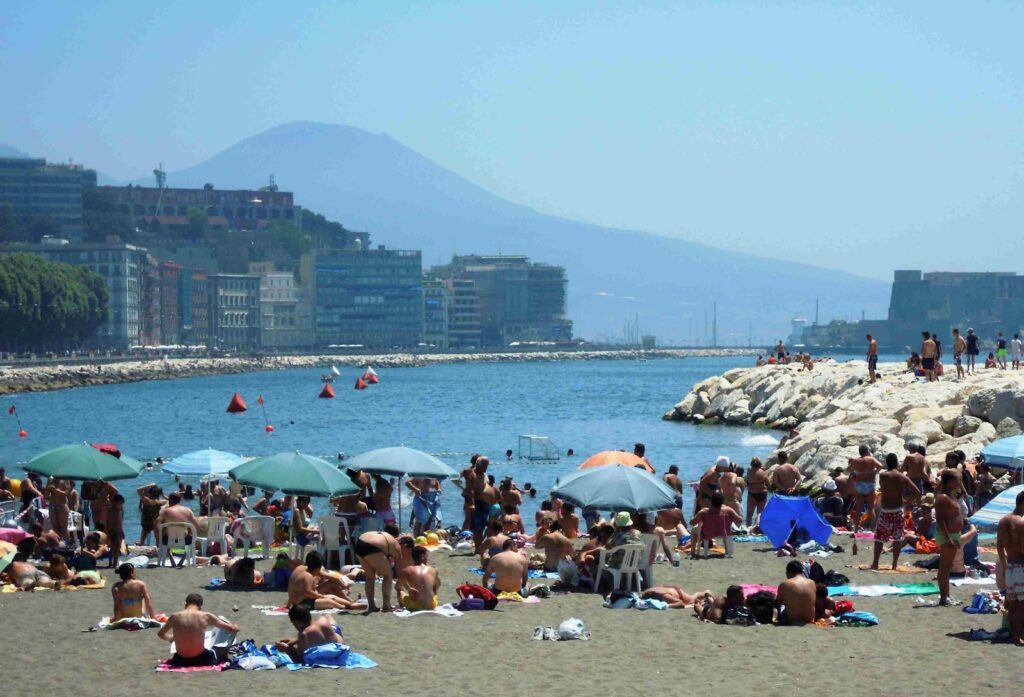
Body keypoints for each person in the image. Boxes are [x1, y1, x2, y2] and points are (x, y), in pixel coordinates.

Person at [157, 593, 239, 668]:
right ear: (200, 607)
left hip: (179, 660)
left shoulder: (174, 617)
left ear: (186, 605)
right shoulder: (205, 616)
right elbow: (230, 628)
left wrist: (171, 638)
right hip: (201, 659)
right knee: (218, 646)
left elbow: (160, 634)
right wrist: (236, 626)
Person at [871, 454, 919, 570]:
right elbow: (917, 492)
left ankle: (875, 563)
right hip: (897, 510)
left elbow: (882, 488)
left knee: (879, 538)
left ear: (887, 463)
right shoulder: (902, 477)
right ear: (897, 463)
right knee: (897, 539)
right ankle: (894, 564)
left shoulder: (883, 475)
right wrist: (907, 502)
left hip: (886, 510)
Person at [288, 551, 365, 611]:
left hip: (305, 598)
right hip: (304, 603)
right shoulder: (307, 575)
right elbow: (307, 592)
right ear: (317, 568)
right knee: (330, 602)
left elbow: (333, 579)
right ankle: (347, 606)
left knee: (332, 597)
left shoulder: (306, 570)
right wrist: (322, 596)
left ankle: (350, 603)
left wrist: (343, 585)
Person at [996, 490, 1024, 645]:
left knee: (1012, 602)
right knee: (1022, 604)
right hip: (1021, 567)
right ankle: (1016, 636)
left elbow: (999, 547)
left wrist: (1005, 565)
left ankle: (1011, 632)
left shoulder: (1003, 521)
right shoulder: (1021, 523)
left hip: (1010, 566)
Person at [354, 524, 402, 612]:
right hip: (372, 546)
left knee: (370, 575)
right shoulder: (395, 544)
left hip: (359, 543)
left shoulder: (381, 535)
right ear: (396, 536)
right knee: (388, 575)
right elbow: (399, 567)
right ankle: (386, 606)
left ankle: (372, 605)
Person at [935, 470, 965, 606]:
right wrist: (948, 539)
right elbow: (940, 520)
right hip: (947, 536)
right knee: (945, 567)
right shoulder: (942, 498)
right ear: (949, 482)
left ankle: (946, 596)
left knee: (948, 567)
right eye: (957, 480)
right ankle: (944, 598)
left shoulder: (951, 496)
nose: (959, 483)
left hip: (953, 534)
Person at [276, 604, 344, 663]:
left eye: (293, 623)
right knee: (328, 616)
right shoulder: (322, 619)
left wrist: (287, 649)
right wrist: (297, 640)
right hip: (339, 644)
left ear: (297, 622)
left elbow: (300, 660)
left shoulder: (304, 634)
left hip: (331, 653)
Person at [155, 492, 200, 567]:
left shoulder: (166, 511)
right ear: (179, 500)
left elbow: (156, 524)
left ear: (171, 500)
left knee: (164, 529)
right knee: (189, 528)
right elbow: (197, 526)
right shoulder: (187, 510)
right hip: (185, 541)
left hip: (168, 541)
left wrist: (157, 539)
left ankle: (170, 556)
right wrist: (188, 529)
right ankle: (184, 556)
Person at [692, 492, 742, 558]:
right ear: (722, 501)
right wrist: (731, 518)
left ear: (711, 501)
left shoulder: (704, 511)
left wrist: (696, 517)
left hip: (708, 533)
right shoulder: (728, 510)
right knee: (726, 530)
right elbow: (739, 520)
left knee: (693, 530)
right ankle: (728, 551)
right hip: (724, 532)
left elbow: (692, 522)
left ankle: (693, 552)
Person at [847, 445, 883, 531]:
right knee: (871, 508)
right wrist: (874, 472)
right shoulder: (871, 459)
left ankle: (855, 529)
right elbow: (880, 466)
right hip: (870, 484)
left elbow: (848, 469)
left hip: (859, 484)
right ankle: (873, 529)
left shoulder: (856, 460)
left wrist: (856, 473)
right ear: (867, 451)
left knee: (858, 508)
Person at [396, 545, 441, 611]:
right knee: (434, 586)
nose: (427, 558)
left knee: (400, 591)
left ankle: (401, 605)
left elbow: (397, 586)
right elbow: (437, 586)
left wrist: (409, 589)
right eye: (426, 556)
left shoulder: (407, 570)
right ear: (422, 557)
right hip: (431, 605)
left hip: (414, 606)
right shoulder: (433, 570)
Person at [775, 560, 816, 625]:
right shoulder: (812, 583)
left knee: (782, 606)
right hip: (809, 618)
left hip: (792, 619)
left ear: (790, 572)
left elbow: (778, 603)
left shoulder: (784, 584)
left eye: (786, 573)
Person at [43, 478, 70, 542]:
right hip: (52, 506)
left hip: (61, 506)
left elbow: (66, 493)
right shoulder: (50, 479)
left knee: (64, 529)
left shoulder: (65, 479)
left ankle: (66, 546)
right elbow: (46, 496)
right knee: (55, 528)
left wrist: (55, 490)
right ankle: (58, 544)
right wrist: (48, 490)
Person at [641, 585, 709, 610]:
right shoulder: (646, 593)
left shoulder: (664, 596)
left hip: (679, 594)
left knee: (692, 598)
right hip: (670, 589)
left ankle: (706, 592)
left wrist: (667, 605)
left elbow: (680, 602)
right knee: (693, 598)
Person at [746, 458, 769, 527]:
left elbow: (751, 469)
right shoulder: (763, 472)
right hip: (762, 493)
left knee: (749, 514)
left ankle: (748, 528)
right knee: (760, 513)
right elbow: (768, 484)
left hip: (752, 493)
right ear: (760, 464)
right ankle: (757, 527)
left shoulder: (749, 471)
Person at [107, 494, 125, 568]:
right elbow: (111, 522)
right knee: (115, 547)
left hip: (116, 530)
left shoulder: (119, 510)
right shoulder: (113, 511)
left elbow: (120, 522)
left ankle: (113, 562)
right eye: (120, 503)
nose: (120, 505)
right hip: (115, 530)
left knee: (116, 547)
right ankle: (113, 562)